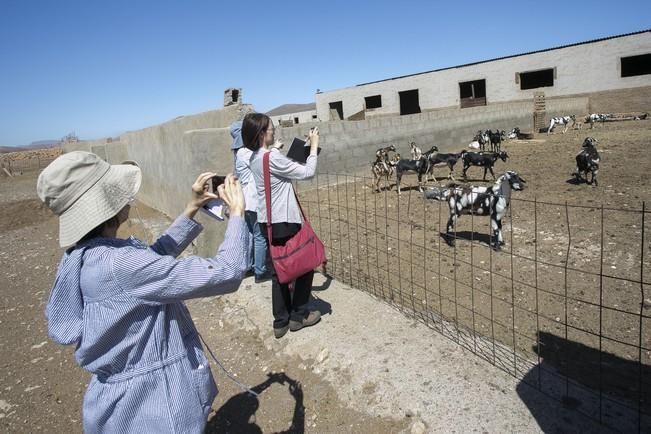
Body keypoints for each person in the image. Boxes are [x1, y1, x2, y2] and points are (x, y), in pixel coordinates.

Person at [37, 151, 249, 433]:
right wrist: (237, 214)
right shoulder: (120, 264)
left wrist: (191, 208)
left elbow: (150, 262)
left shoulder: (87, 255)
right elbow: (228, 272)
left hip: (121, 408)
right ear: (106, 205)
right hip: (157, 407)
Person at [242, 112, 322, 339]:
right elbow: (308, 171)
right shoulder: (272, 159)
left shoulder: (254, 158)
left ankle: (280, 322)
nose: (274, 130)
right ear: (260, 134)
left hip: (267, 221)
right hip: (285, 220)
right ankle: (299, 316)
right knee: (304, 265)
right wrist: (313, 147)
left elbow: (270, 160)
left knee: (280, 270)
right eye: (270, 129)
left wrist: (274, 148)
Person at [231, 120, 271, 283]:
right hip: (253, 200)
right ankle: (260, 271)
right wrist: (272, 149)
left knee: (249, 235)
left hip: (246, 200)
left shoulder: (240, 152)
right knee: (260, 236)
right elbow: (263, 159)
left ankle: (249, 266)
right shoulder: (245, 152)